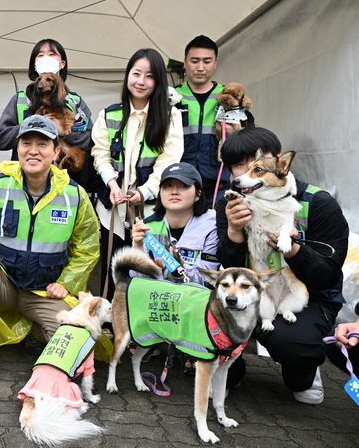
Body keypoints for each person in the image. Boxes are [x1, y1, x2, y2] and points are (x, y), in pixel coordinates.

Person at [0, 114, 100, 383]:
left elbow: (87, 247)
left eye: (43, 144)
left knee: (74, 339)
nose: (33, 150)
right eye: (26, 143)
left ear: (56, 152)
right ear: (17, 149)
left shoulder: (74, 196)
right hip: (4, 285)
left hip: (43, 292)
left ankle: (35, 331)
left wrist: (66, 283)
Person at [216, 127, 349, 404]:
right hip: (250, 288)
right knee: (210, 317)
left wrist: (295, 250)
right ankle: (231, 371)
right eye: (236, 166)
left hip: (306, 295)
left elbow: (327, 274)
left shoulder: (319, 203)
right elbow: (227, 265)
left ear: (279, 162)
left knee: (293, 342)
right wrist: (233, 233)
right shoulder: (231, 203)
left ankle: (304, 372)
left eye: (252, 165)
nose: (242, 174)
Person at [91, 47, 184, 301]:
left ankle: (144, 330)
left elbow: (169, 159)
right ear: (127, 76)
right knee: (113, 266)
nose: (141, 81)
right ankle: (112, 324)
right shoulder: (109, 113)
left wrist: (144, 192)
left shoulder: (169, 115)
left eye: (149, 76)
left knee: (148, 268)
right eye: (136, 73)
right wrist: (112, 184)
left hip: (150, 210)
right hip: (112, 208)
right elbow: (100, 153)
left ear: (159, 82)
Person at [0, 38, 96, 189]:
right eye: (40, 55)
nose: (46, 58)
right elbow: (0, 138)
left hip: (66, 184)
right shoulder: (20, 100)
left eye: (52, 54)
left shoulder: (75, 101)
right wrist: (33, 126)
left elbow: (90, 139)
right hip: (23, 184)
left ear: (62, 64)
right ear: (34, 65)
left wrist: (63, 131)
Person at [131, 162, 220, 286]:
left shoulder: (212, 225)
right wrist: (138, 247)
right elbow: (137, 281)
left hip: (195, 302)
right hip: (158, 300)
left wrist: (180, 270)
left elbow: (208, 280)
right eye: (168, 186)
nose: (174, 192)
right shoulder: (148, 226)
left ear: (198, 194)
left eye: (183, 185)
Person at [174, 35, 227, 201]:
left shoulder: (228, 97)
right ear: (185, 62)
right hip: (179, 179)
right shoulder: (172, 97)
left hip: (218, 180)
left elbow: (247, 138)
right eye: (194, 61)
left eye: (207, 61)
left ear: (215, 63)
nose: (200, 67)